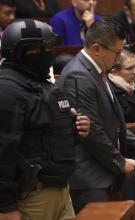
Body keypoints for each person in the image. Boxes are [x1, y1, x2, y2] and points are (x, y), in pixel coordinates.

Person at [56, 18, 135, 213]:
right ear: (97, 48)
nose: (119, 57)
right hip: (89, 178)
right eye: (117, 52)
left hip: (103, 173)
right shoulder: (78, 75)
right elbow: (91, 131)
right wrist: (119, 161)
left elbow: (113, 125)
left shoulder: (99, 72)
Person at [0, 19, 90, 220]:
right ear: (23, 52)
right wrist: (5, 206)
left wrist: (75, 131)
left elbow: (47, 136)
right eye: (44, 49)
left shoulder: (42, 84)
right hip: (31, 196)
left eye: (51, 47)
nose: (50, 53)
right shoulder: (7, 90)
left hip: (60, 189)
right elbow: (3, 151)